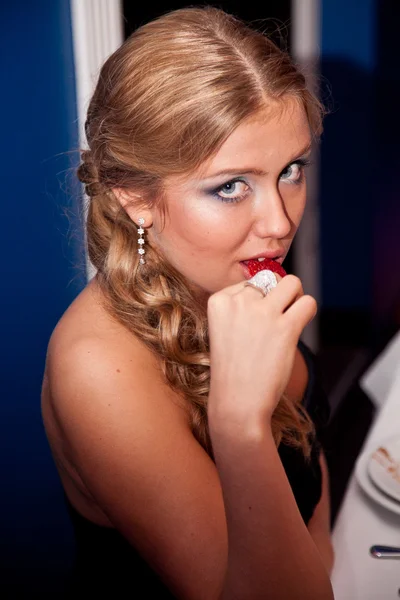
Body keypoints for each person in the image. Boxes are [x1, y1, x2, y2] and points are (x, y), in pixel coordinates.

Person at [41, 6, 334, 599]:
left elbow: (310, 503)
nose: (279, 223)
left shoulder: (234, 287)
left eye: (291, 170)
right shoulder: (100, 370)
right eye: (231, 186)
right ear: (134, 198)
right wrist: (239, 426)